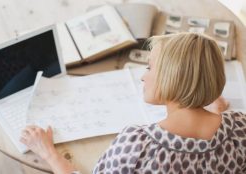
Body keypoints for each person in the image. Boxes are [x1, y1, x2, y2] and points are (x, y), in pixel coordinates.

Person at [20, 33, 246, 173]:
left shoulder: (138, 146)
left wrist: (48, 152)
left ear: (172, 77)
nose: (142, 76)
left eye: (149, 67)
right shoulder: (240, 127)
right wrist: (215, 111)